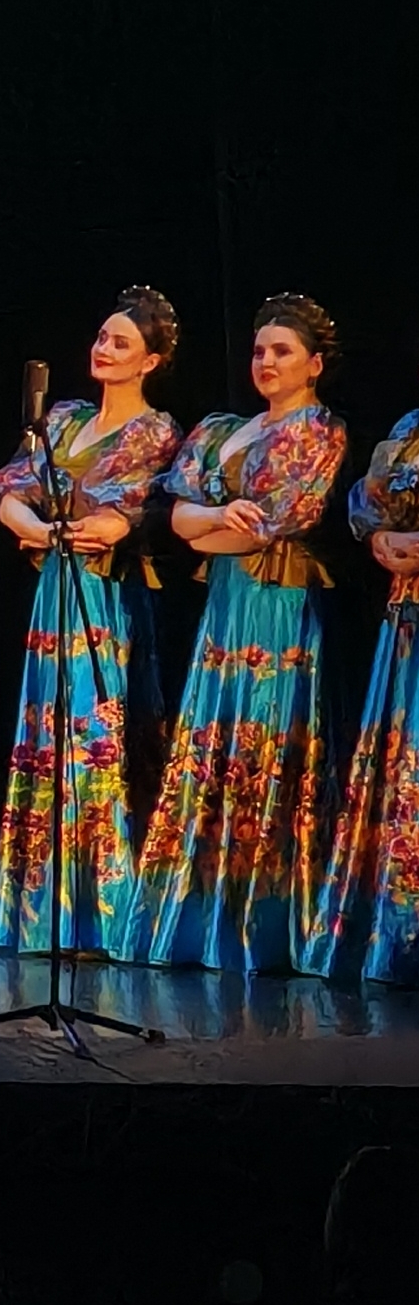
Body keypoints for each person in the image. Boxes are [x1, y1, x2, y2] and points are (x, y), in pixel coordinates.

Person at [124, 294, 347, 973]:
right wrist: (211, 521)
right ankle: (198, 917)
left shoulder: (318, 430)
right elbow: (177, 515)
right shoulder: (224, 429)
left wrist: (208, 526)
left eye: (282, 351)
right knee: (212, 743)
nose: (266, 362)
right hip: (224, 607)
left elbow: (275, 522)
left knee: (264, 745)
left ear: (314, 364)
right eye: (259, 351)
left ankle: (261, 925)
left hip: (276, 607)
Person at [0, 290, 183, 953]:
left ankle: (103, 907)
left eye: (121, 343)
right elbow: (12, 494)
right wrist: (41, 529)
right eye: (101, 337)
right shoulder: (64, 420)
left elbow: (112, 519)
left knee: (97, 732)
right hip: (56, 589)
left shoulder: (153, 431)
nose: (104, 350)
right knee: (49, 731)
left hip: (105, 594)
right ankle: (43, 904)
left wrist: (60, 527)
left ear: (150, 361)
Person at [310, 405, 419, 983]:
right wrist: (382, 537)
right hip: (409, 615)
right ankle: (394, 938)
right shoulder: (410, 429)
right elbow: (369, 502)